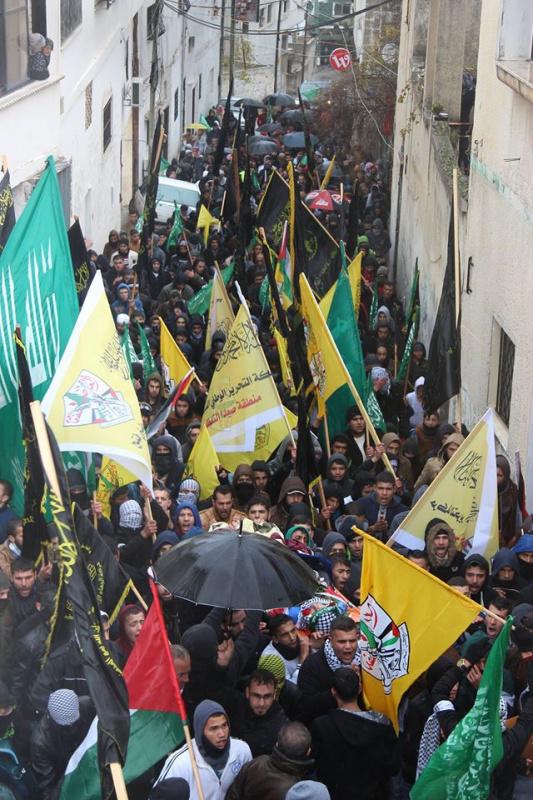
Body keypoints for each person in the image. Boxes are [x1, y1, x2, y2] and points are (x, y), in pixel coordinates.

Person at [311, 668, 399, 800]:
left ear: (333, 692)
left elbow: (319, 767)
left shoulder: (322, 726)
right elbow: (393, 766)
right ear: (360, 688)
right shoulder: (382, 724)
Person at [156, 700, 252, 799]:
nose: (222, 734)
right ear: (200, 731)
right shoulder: (180, 763)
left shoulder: (242, 751)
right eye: (214, 729)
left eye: (224, 725)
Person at [30, 689, 93, 799]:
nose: (71, 727)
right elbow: (48, 787)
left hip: (91, 765)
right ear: (51, 718)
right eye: (66, 726)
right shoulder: (40, 743)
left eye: (74, 722)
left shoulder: (87, 705)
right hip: (66, 781)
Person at [226, 722, 314, 800]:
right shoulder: (299, 791)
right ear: (308, 752)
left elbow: (233, 794)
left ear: (277, 744)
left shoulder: (257, 763)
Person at [297, 616, 359, 724]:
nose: (348, 646)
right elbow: (306, 707)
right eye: (342, 642)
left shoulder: (367, 662)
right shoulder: (312, 666)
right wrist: (340, 687)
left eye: (352, 641)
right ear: (330, 640)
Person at [239, 669, 288, 757]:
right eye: (256, 696)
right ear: (247, 692)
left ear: (274, 694)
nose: (261, 703)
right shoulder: (235, 710)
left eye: (267, 696)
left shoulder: (280, 727)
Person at [358, 471, 408, 540]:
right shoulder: (362, 503)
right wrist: (372, 529)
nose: (384, 493)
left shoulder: (402, 511)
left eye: (388, 489)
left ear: (394, 489)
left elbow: (403, 539)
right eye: (381, 488)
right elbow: (353, 533)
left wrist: (387, 531)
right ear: (375, 488)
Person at [261, 614, 304, 684]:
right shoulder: (271, 659)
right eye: (285, 635)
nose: (292, 638)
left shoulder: (302, 639)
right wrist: (302, 660)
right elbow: (290, 687)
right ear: (275, 639)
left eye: (293, 630)